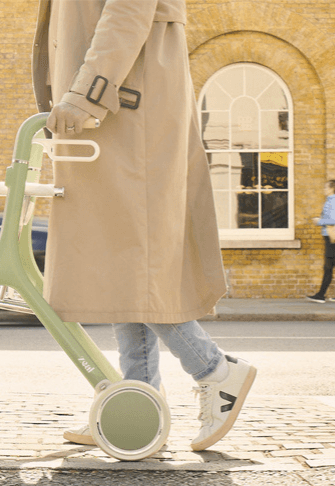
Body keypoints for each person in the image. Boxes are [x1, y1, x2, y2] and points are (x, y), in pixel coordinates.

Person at [31, 0, 257, 452]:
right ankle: (136, 408)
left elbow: (127, 11)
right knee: (123, 262)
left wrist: (83, 94)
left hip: (123, 108)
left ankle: (215, 371)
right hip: (110, 111)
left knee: (136, 260)